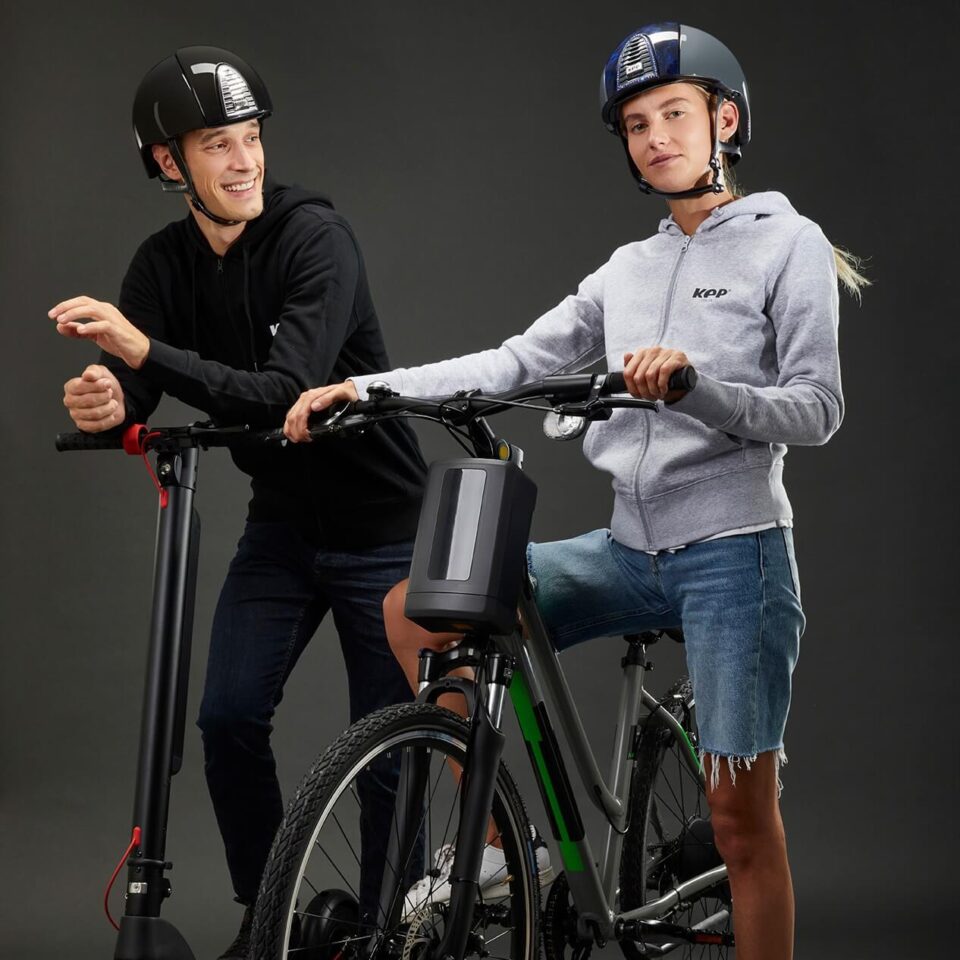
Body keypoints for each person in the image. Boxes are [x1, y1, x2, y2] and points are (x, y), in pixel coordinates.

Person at [284, 22, 866, 960]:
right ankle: (493, 860)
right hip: (626, 552)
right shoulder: (626, 271)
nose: (656, 137)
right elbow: (513, 362)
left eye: (674, 113)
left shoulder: (787, 245)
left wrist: (695, 388)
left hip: (736, 559)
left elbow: (817, 409)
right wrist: (367, 389)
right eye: (636, 124)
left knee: (742, 825)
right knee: (416, 612)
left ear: (724, 120)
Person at [49, 46, 427, 959]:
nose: (245, 160)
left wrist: (141, 354)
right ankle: (272, 927)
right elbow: (138, 389)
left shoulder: (317, 240)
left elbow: (283, 392)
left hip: (386, 529)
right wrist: (107, 398)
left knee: (385, 747)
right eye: (218, 143)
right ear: (169, 162)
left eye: (252, 137)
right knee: (226, 720)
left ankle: (389, 938)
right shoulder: (163, 264)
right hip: (284, 530)